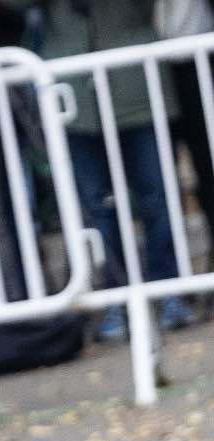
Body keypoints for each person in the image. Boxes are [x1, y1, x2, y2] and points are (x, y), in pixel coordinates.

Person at [10, 0, 193, 339]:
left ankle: (170, 291)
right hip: (73, 92)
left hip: (136, 80)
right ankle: (116, 299)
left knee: (157, 195)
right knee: (97, 207)